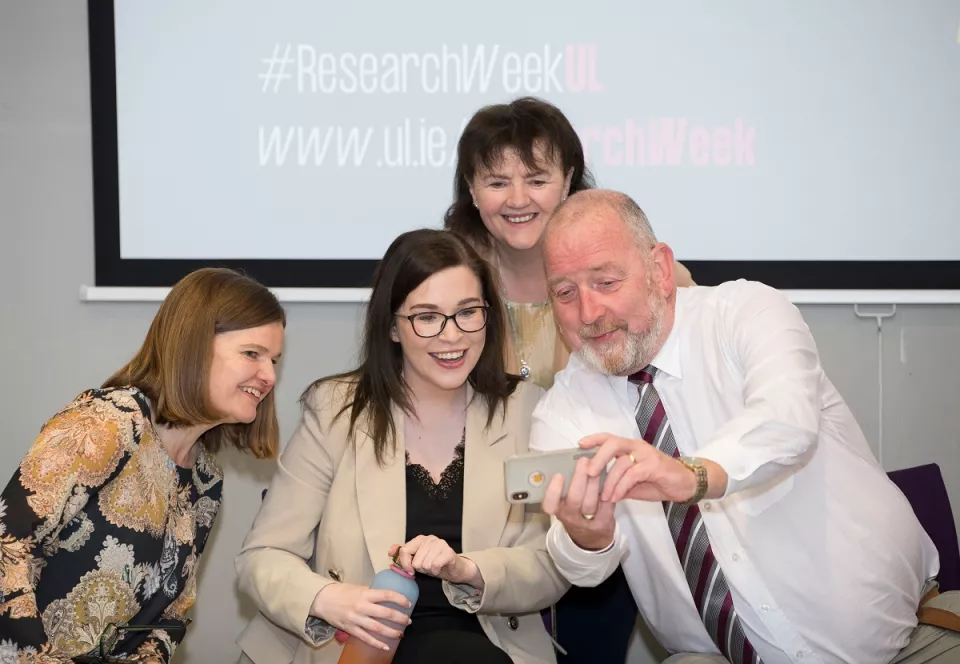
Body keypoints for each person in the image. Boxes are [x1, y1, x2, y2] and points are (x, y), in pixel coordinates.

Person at [531, 188, 960, 663]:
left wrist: (691, 474)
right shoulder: (563, 410)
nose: (588, 314)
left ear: (659, 270)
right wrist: (586, 537)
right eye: (565, 293)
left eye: (606, 282)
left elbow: (787, 420)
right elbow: (584, 568)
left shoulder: (746, 312)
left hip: (911, 640)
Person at [235, 229, 568, 664]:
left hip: (487, 644)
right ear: (393, 326)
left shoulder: (526, 411)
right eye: (427, 317)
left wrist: (468, 570)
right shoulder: (337, 410)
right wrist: (332, 600)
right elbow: (263, 556)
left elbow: (551, 562)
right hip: (353, 646)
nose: (452, 336)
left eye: (468, 312)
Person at [445, 96, 695, 662]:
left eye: (536, 179)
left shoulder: (645, 275)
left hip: (603, 514)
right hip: (485, 522)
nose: (516, 200)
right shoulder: (446, 280)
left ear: (569, 182)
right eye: (495, 181)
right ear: (470, 187)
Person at [0, 267, 286, 663]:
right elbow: (6, 546)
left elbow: (169, 617)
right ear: (194, 345)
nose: (269, 375)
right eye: (252, 353)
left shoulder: (206, 479)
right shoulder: (109, 422)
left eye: (274, 359)